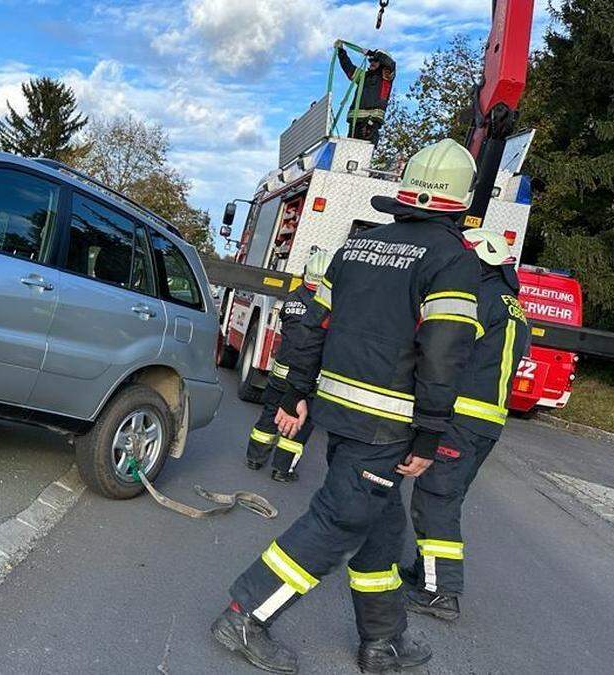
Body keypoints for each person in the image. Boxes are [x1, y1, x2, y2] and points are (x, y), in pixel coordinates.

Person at [210, 138, 483, 674]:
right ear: (460, 201)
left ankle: (383, 641)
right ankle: (244, 614)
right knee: (339, 522)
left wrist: (295, 393)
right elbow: (444, 354)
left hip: (342, 416)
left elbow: (309, 327)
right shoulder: (453, 261)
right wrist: (429, 434)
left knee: (379, 528)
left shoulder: (356, 248)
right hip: (388, 428)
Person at [403, 228, 532, 620]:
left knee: (435, 501)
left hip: (460, 417)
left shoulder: (477, 299)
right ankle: (429, 573)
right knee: (446, 496)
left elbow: (447, 350)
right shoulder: (513, 306)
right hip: (487, 424)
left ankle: (442, 592)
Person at [245, 250, 333, 483]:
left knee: (270, 413)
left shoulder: (293, 298)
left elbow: (286, 321)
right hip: (306, 376)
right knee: (298, 424)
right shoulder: (328, 307)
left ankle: (254, 459)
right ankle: (282, 470)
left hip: (280, 371)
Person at [336, 42, 396, 146]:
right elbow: (349, 68)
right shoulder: (364, 76)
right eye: (371, 61)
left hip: (370, 122)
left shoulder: (386, 77)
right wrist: (341, 52)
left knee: (364, 153)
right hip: (355, 122)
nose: (371, 62)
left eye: (375, 61)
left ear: (382, 63)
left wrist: (371, 53)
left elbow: (390, 63)